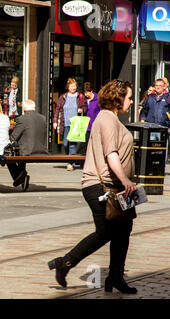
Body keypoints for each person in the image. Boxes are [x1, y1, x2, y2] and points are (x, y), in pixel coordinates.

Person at [48, 79, 138, 294]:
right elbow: (111, 154)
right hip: (101, 185)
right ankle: (65, 262)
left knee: (124, 230)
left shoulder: (113, 119)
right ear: (118, 99)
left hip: (116, 187)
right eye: (128, 97)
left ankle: (115, 277)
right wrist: (125, 180)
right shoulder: (107, 119)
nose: (132, 101)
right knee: (106, 231)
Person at [7, 99, 48, 187]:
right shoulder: (43, 118)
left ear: (24, 109)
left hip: (28, 152)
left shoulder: (22, 119)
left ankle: (19, 177)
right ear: (34, 108)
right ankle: (21, 177)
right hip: (42, 151)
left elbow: (14, 137)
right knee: (23, 144)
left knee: (7, 157)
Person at [53, 78, 88, 171]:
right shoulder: (63, 97)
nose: (73, 88)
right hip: (65, 123)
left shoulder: (80, 96)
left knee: (72, 144)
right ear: (68, 87)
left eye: (74, 86)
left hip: (75, 123)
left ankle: (70, 163)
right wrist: (55, 121)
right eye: (71, 86)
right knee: (65, 143)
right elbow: (57, 109)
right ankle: (70, 158)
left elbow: (85, 107)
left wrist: (82, 110)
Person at [80, 82, 101, 155]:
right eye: (84, 92)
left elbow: (101, 112)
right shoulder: (83, 99)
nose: (85, 94)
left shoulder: (98, 99)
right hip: (85, 125)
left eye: (87, 92)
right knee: (84, 145)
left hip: (94, 125)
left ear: (91, 91)